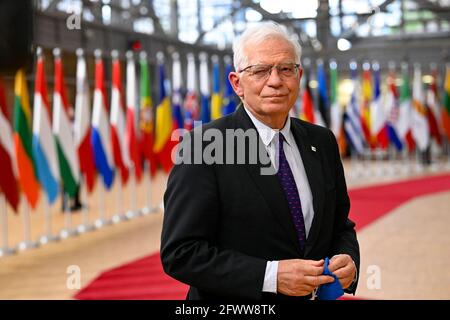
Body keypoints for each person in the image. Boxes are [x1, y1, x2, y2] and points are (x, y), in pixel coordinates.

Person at [161, 22, 359, 300]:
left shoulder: (322, 141)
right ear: (237, 83)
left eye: (286, 69)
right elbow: (180, 253)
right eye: (260, 70)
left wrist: (348, 260)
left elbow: (340, 225)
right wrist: (271, 276)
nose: (276, 80)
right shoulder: (202, 146)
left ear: (299, 76)